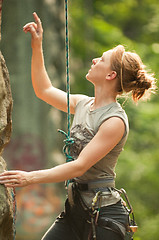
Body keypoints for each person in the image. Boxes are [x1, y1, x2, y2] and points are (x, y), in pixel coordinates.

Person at [0, 12, 156, 240]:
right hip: (76, 209)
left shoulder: (114, 121)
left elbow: (79, 167)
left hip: (104, 216)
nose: (94, 60)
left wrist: (29, 178)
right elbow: (43, 90)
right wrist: (37, 46)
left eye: (101, 60)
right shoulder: (83, 103)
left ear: (111, 75)